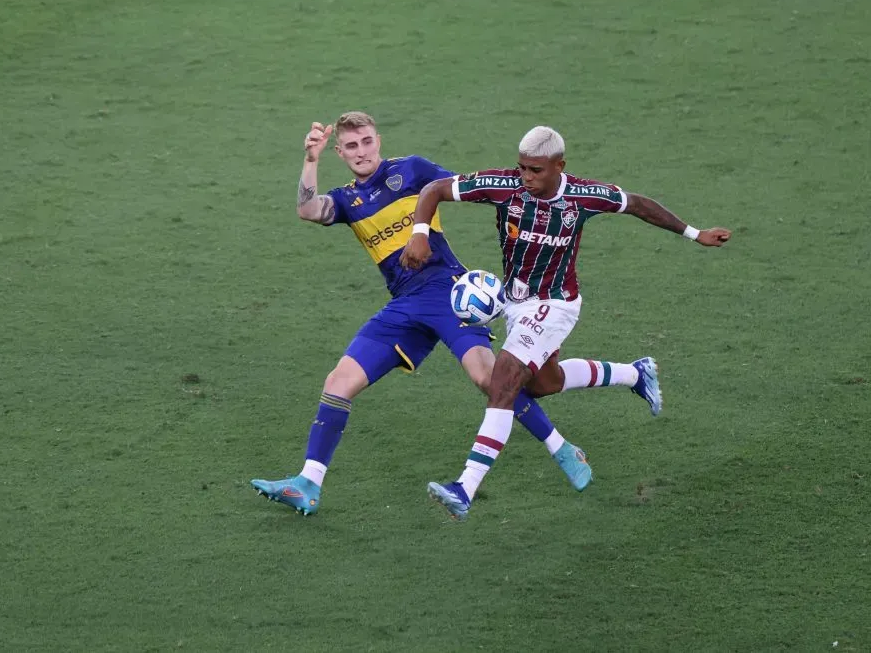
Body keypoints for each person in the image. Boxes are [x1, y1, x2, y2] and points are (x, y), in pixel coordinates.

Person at [252, 113, 611, 515]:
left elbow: (474, 187)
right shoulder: (347, 200)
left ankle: (563, 450)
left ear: (378, 141)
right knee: (339, 383)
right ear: (340, 152)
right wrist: (311, 159)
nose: (361, 152)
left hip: (448, 294)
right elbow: (308, 210)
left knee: (491, 380)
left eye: (366, 142)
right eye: (351, 146)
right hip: (403, 305)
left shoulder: (412, 170)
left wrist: (540, 197)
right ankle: (308, 482)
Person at [401, 125, 732, 520]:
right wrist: (418, 234)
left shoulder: (584, 196)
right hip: (517, 302)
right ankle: (635, 374)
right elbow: (433, 190)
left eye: (536, 170)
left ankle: (465, 487)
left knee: (503, 381)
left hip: (556, 304)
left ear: (560, 166)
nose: (526, 178)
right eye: (522, 168)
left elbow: (639, 204)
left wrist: (696, 234)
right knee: (544, 383)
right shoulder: (504, 186)